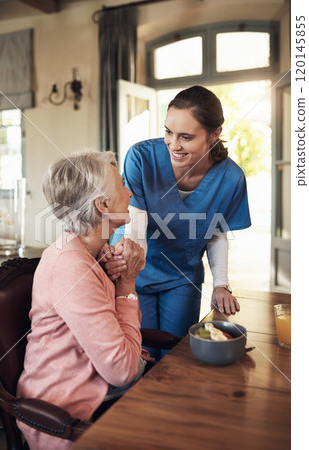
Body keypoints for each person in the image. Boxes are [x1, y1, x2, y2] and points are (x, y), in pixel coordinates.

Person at [100, 85, 251, 359]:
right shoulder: (142, 158)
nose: (173, 144)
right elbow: (135, 226)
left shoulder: (231, 178)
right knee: (137, 354)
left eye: (186, 137)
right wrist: (128, 274)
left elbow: (215, 233)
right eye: (168, 132)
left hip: (182, 277)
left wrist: (221, 283)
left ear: (214, 134)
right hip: (132, 269)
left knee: (177, 355)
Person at [16, 150, 148, 450]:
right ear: (102, 205)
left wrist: (111, 277)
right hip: (68, 416)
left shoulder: (86, 252)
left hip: (100, 391)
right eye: (122, 185)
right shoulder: (72, 266)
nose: (129, 191)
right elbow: (124, 370)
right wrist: (127, 286)